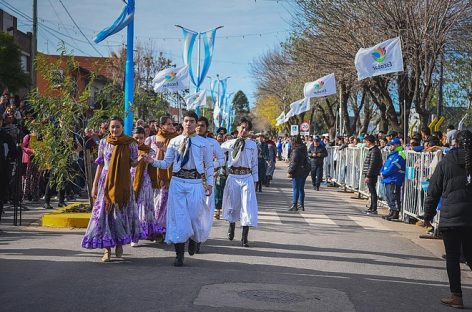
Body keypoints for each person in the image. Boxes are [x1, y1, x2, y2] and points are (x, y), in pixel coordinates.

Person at [144, 111, 214, 267]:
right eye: (186, 121)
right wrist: (152, 161)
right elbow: (166, 163)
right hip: (177, 182)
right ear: (182, 123)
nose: (188, 124)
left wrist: (209, 183)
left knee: (195, 215)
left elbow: (209, 165)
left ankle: (194, 239)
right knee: (178, 218)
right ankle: (179, 254)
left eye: (192, 121)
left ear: (196, 125)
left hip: (195, 182)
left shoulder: (204, 143)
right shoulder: (175, 142)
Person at [81, 117, 141, 262]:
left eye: (117, 127)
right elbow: (100, 165)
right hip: (105, 183)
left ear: (122, 128)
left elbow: (133, 163)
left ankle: (119, 243)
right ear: (109, 128)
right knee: (105, 215)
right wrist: (94, 185)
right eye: (112, 127)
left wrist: (141, 159)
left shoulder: (130, 143)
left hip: (123, 183)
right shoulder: (103, 142)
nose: (115, 130)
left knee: (119, 214)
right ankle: (107, 250)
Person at [423, 130, 472, 309]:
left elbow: (433, 190)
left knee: (452, 257)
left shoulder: (446, 162)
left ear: (454, 143)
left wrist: (428, 216)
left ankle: (456, 296)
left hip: (451, 217)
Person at [221, 117, 258, 248]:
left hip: (246, 176)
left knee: (247, 205)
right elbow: (218, 153)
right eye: (242, 127)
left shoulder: (252, 145)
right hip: (233, 176)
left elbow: (254, 164)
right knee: (233, 204)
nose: (244, 131)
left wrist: (255, 180)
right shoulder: (229, 143)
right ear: (237, 128)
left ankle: (244, 237)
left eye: (247, 129)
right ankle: (231, 225)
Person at [145, 116, 177, 239]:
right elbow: (142, 154)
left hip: (170, 177)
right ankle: (153, 230)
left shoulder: (176, 139)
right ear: (161, 125)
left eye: (172, 124)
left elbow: (179, 157)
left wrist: (165, 149)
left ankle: (163, 231)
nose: (171, 126)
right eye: (168, 124)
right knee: (154, 203)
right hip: (153, 178)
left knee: (165, 205)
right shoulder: (151, 140)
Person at [196, 116, 225, 252]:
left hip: (207, 180)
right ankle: (191, 237)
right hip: (190, 180)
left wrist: (210, 165)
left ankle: (199, 238)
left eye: (202, 125)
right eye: (197, 125)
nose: (199, 127)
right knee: (192, 210)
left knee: (205, 211)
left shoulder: (212, 142)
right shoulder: (187, 141)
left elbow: (222, 159)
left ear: (207, 128)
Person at [130, 127, 158, 245]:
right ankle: (133, 235)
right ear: (132, 137)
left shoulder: (149, 150)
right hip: (130, 180)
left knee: (143, 208)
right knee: (132, 208)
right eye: (136, 138)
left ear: (144, 138)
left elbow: (153, 162)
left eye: (141, 138)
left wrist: (147, 158)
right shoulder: (128, 149)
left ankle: (146, 233)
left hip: (144, 182)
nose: (139, 140)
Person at [381, 137, 406, 221]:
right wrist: (381, 171)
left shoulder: (400, 153)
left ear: (397, 145)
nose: (390, 146)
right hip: (388, 178)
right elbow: (386, 165)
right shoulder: (392, 154)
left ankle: (395, 213)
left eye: (392, 145)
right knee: (389, 196)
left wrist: (384, 173)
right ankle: (391, 211)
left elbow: (394, 166)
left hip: (394, 179)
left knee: (394, 196)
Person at [288, 135, 309, 212]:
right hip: (304, 170)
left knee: (296, 188)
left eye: (291, 141)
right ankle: (301, 205)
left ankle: (294, 205)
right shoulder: (303, 148)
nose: (290, 142)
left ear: (294, 141)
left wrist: (290, 171)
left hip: (297, 171)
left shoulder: (296, 150)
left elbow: (294, 162)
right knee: (301, 188)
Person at [362, 135, 383, 215]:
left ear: (369, 142)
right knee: (371, 191)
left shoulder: (374, 151)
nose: (366, 143)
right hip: (371, 173)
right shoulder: (373, 150)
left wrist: (368, 175)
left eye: (366, 141)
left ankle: (374, 208)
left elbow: (372, 164)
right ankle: (372, 207)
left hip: (371, 174)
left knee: (373, 191)